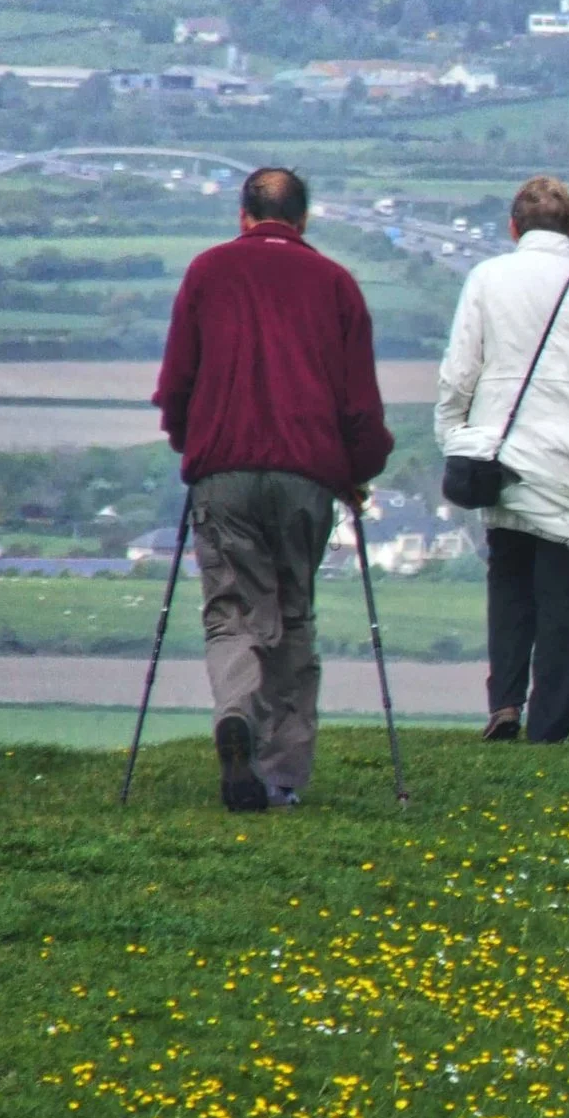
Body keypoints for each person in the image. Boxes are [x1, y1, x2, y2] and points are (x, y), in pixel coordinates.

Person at [153, 166, 393, 811]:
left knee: (232, 612)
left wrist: (192, 444)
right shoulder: (336, 285)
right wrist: (358, 472)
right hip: (305, 474)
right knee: (291, 614)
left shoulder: (207, 272)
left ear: (243, 216)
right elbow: (359, 405)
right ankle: (281, 775)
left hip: (224, 470)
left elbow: (177, 380)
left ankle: (234, 713)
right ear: (305, 220)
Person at [435, 175, 569, 743]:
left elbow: (459, 373)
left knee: (508, 584)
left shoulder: (486, 280)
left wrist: (456, 438)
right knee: (562, 599)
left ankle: (504, 704)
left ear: (513, 227)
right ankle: (549, 727)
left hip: (503, 462)